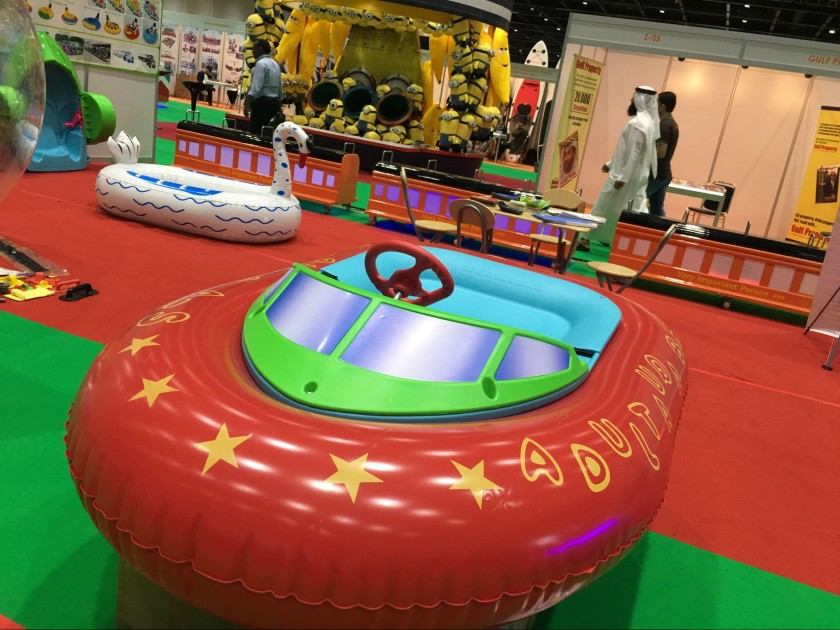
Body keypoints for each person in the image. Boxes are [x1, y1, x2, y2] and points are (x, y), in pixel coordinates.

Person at [582, 86, 659, 248]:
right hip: (635, 175)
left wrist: (623, 177)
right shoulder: (648, 122)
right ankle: (614, 240)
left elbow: (634, 153)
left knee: (603, 205)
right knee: (623, 209)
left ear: (640, 99)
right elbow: (625, 150)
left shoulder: (638, 123)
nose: (631, 100)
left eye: (633, 97)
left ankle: (585, 238)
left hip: (623, 175)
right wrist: (610, 164)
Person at [646, 91, 679, 217]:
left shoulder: (664, 126)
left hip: (657, 175)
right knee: (656, 209)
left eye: (656, 103)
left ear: (662, 106)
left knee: (635, 199)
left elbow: (660, 153)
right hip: (664, 174)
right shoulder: (673, 124)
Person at [246, 39, 282, 135]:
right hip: (274, 103)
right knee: (268, 133)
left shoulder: (261, 64)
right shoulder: (275, 64)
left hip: (261, 103)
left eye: (254, 48)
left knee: (255, 133)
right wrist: (279, 105)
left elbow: (256, 88)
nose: (252, 51)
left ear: (261, 49)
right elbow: (279, 87)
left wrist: (247, 103)